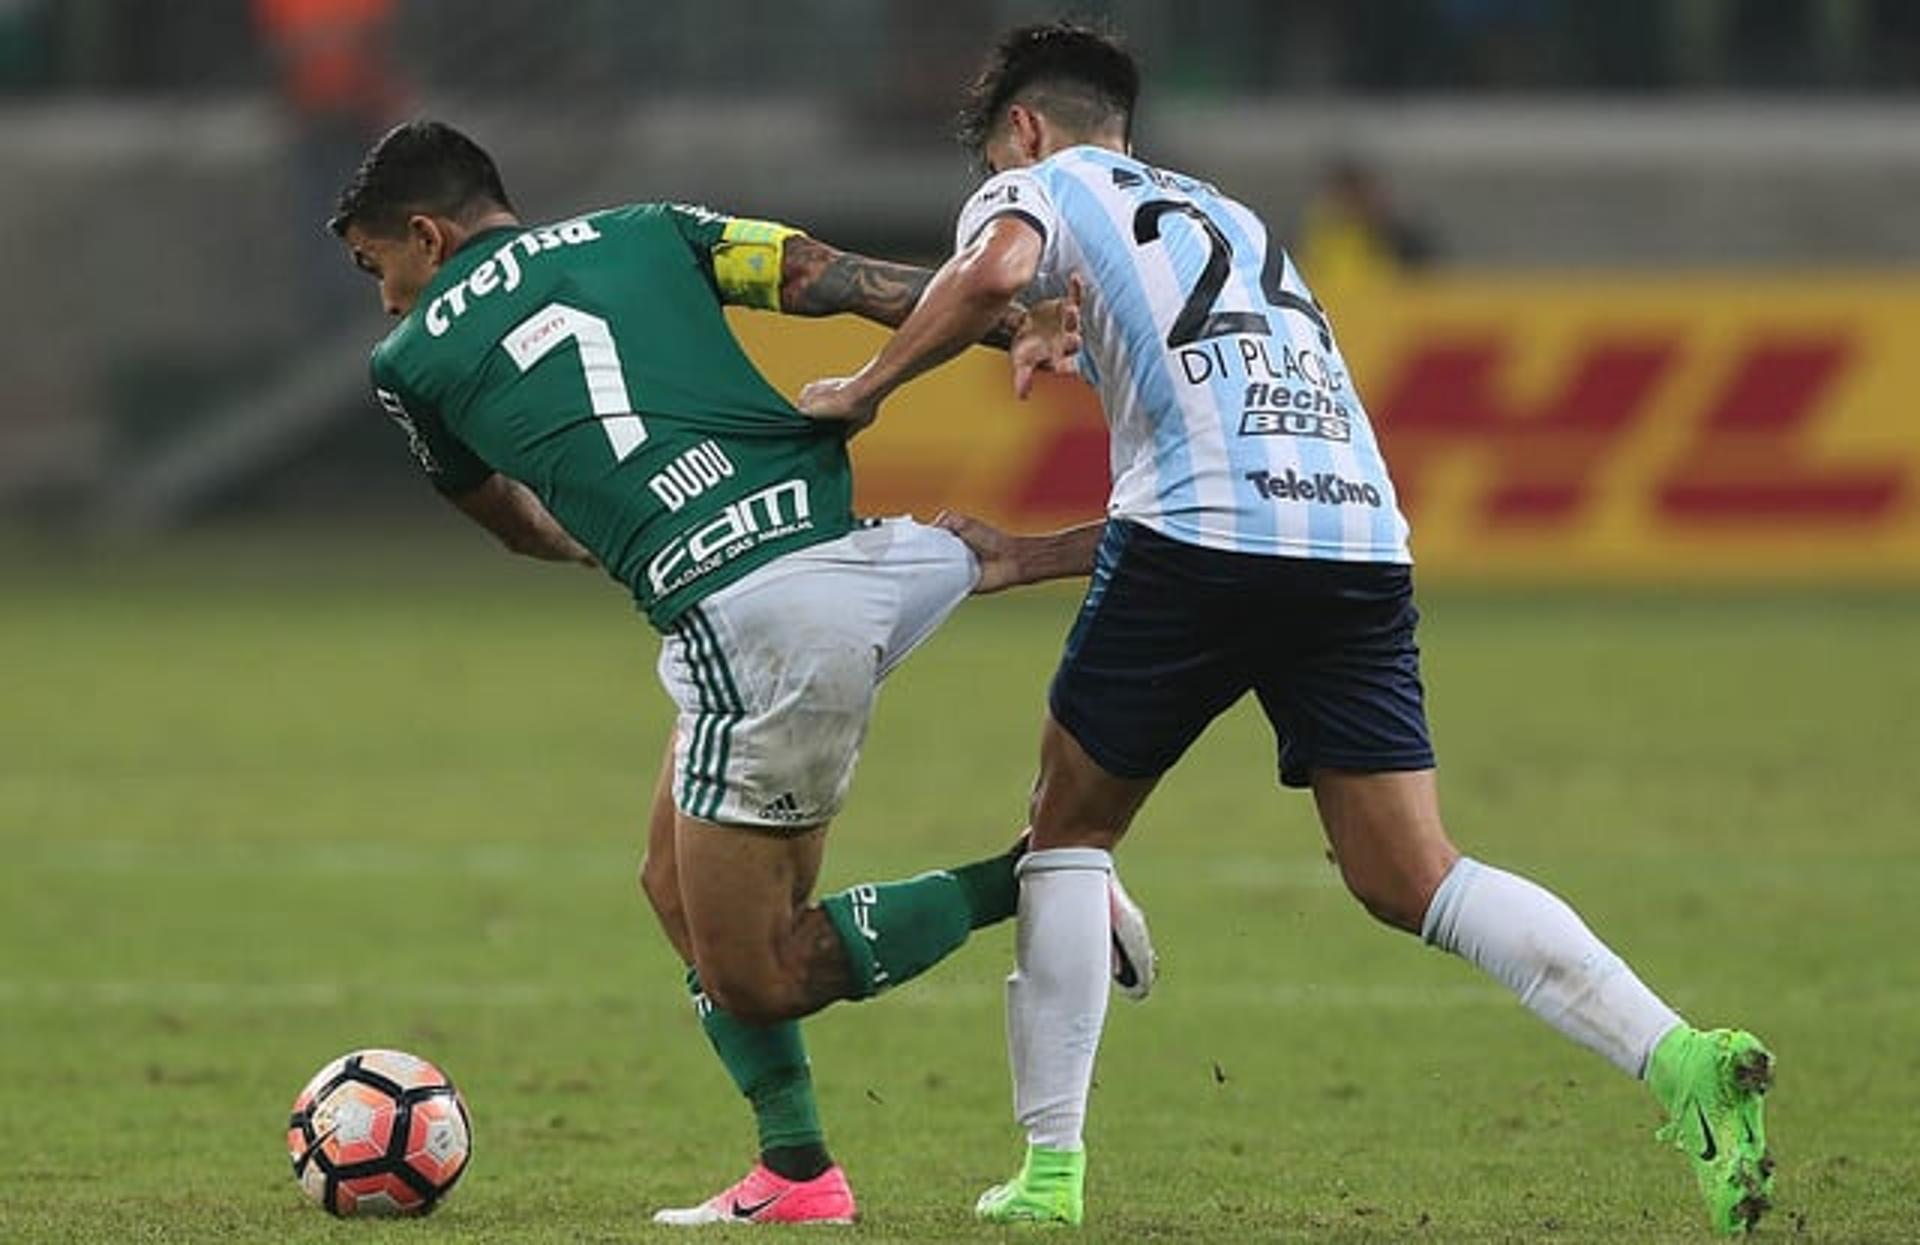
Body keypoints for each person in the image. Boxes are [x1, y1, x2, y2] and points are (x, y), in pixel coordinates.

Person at [797, 22, 1775, 1237]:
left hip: (1203, 543)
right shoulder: (1233, 218)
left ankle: (1049, 1175)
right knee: (1411, 872)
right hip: (1360, 542)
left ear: (1026, 129)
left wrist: (865, 387)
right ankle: (1681, 1061)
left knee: (1066, 831)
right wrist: (1037, 469)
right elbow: (1198, 427)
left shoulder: (1033, 187)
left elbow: (998, 269)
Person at [327, 118, 1154, 1227]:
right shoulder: (653, 228)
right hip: (833, 544)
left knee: (760, 969)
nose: (385, 300)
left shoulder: (410, 363)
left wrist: (611, 535)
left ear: (425, 236)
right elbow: (832, 277)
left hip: (754, 628)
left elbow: (514, 526)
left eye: (380, 267)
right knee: (670, 882)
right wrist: (1018, 319)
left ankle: (1045, 879)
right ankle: (799, 1173)